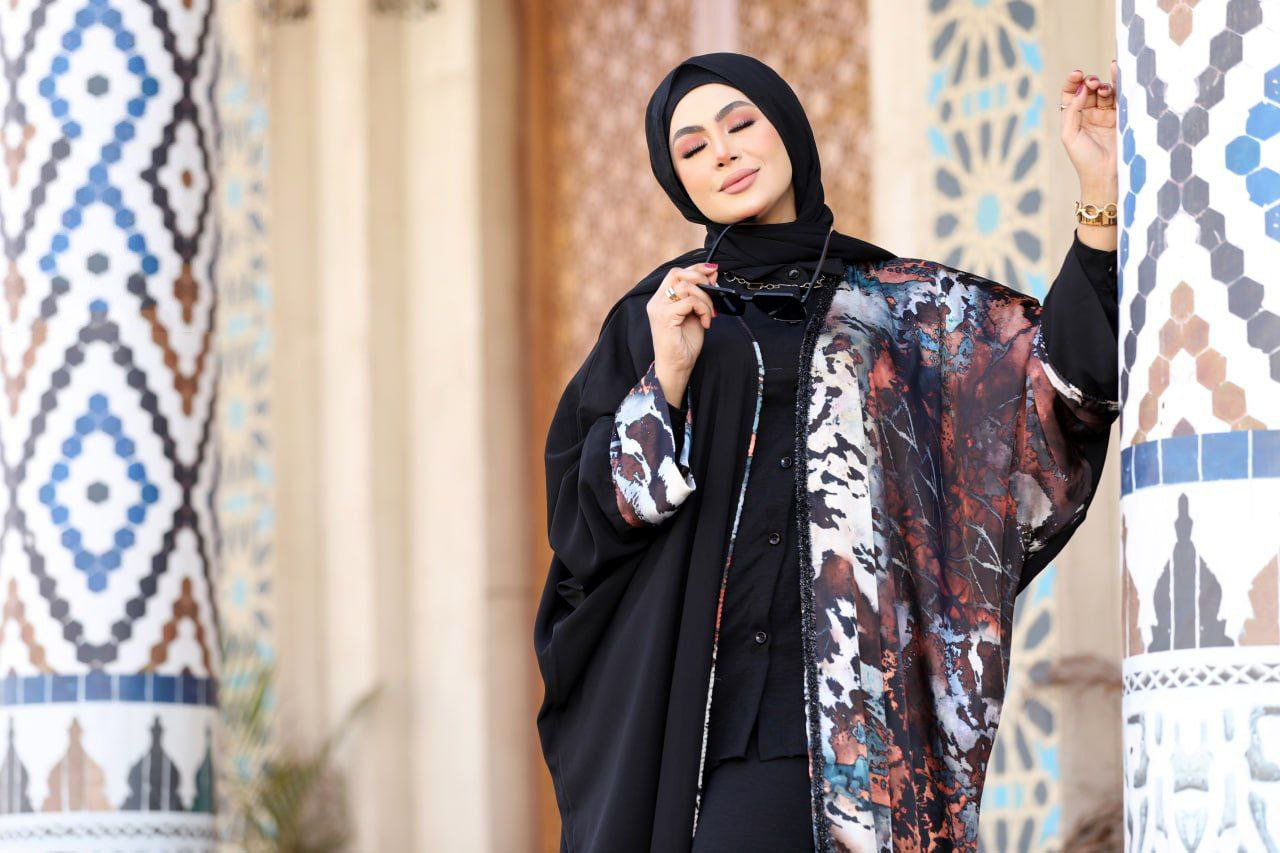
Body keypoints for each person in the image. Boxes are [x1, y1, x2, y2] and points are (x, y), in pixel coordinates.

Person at [533, 52, 1119, 852]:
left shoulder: (898, 308)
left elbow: (1058, 392)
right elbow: (590, 518)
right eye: (693, 147)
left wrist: (1099, 196)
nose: (724, 153)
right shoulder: (663, 311)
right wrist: (665, 377)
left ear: (787, 128)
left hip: (868, 729)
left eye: (740, 124)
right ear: (677, 181)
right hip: (716, 730)